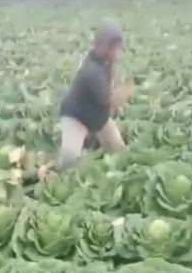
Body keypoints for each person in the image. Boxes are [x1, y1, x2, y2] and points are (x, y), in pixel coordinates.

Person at [57, 19, 134, 171]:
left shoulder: (103, 59)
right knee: (69, 161)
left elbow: (108, 86)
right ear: (103, 45)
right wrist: (127, 90)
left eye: (118, 48)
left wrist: (113, 65)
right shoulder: (91, 71)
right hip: (76, 117)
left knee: (119, 151)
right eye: (115, 48)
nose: (118, 52)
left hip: (98, 116)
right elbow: (110, 100)